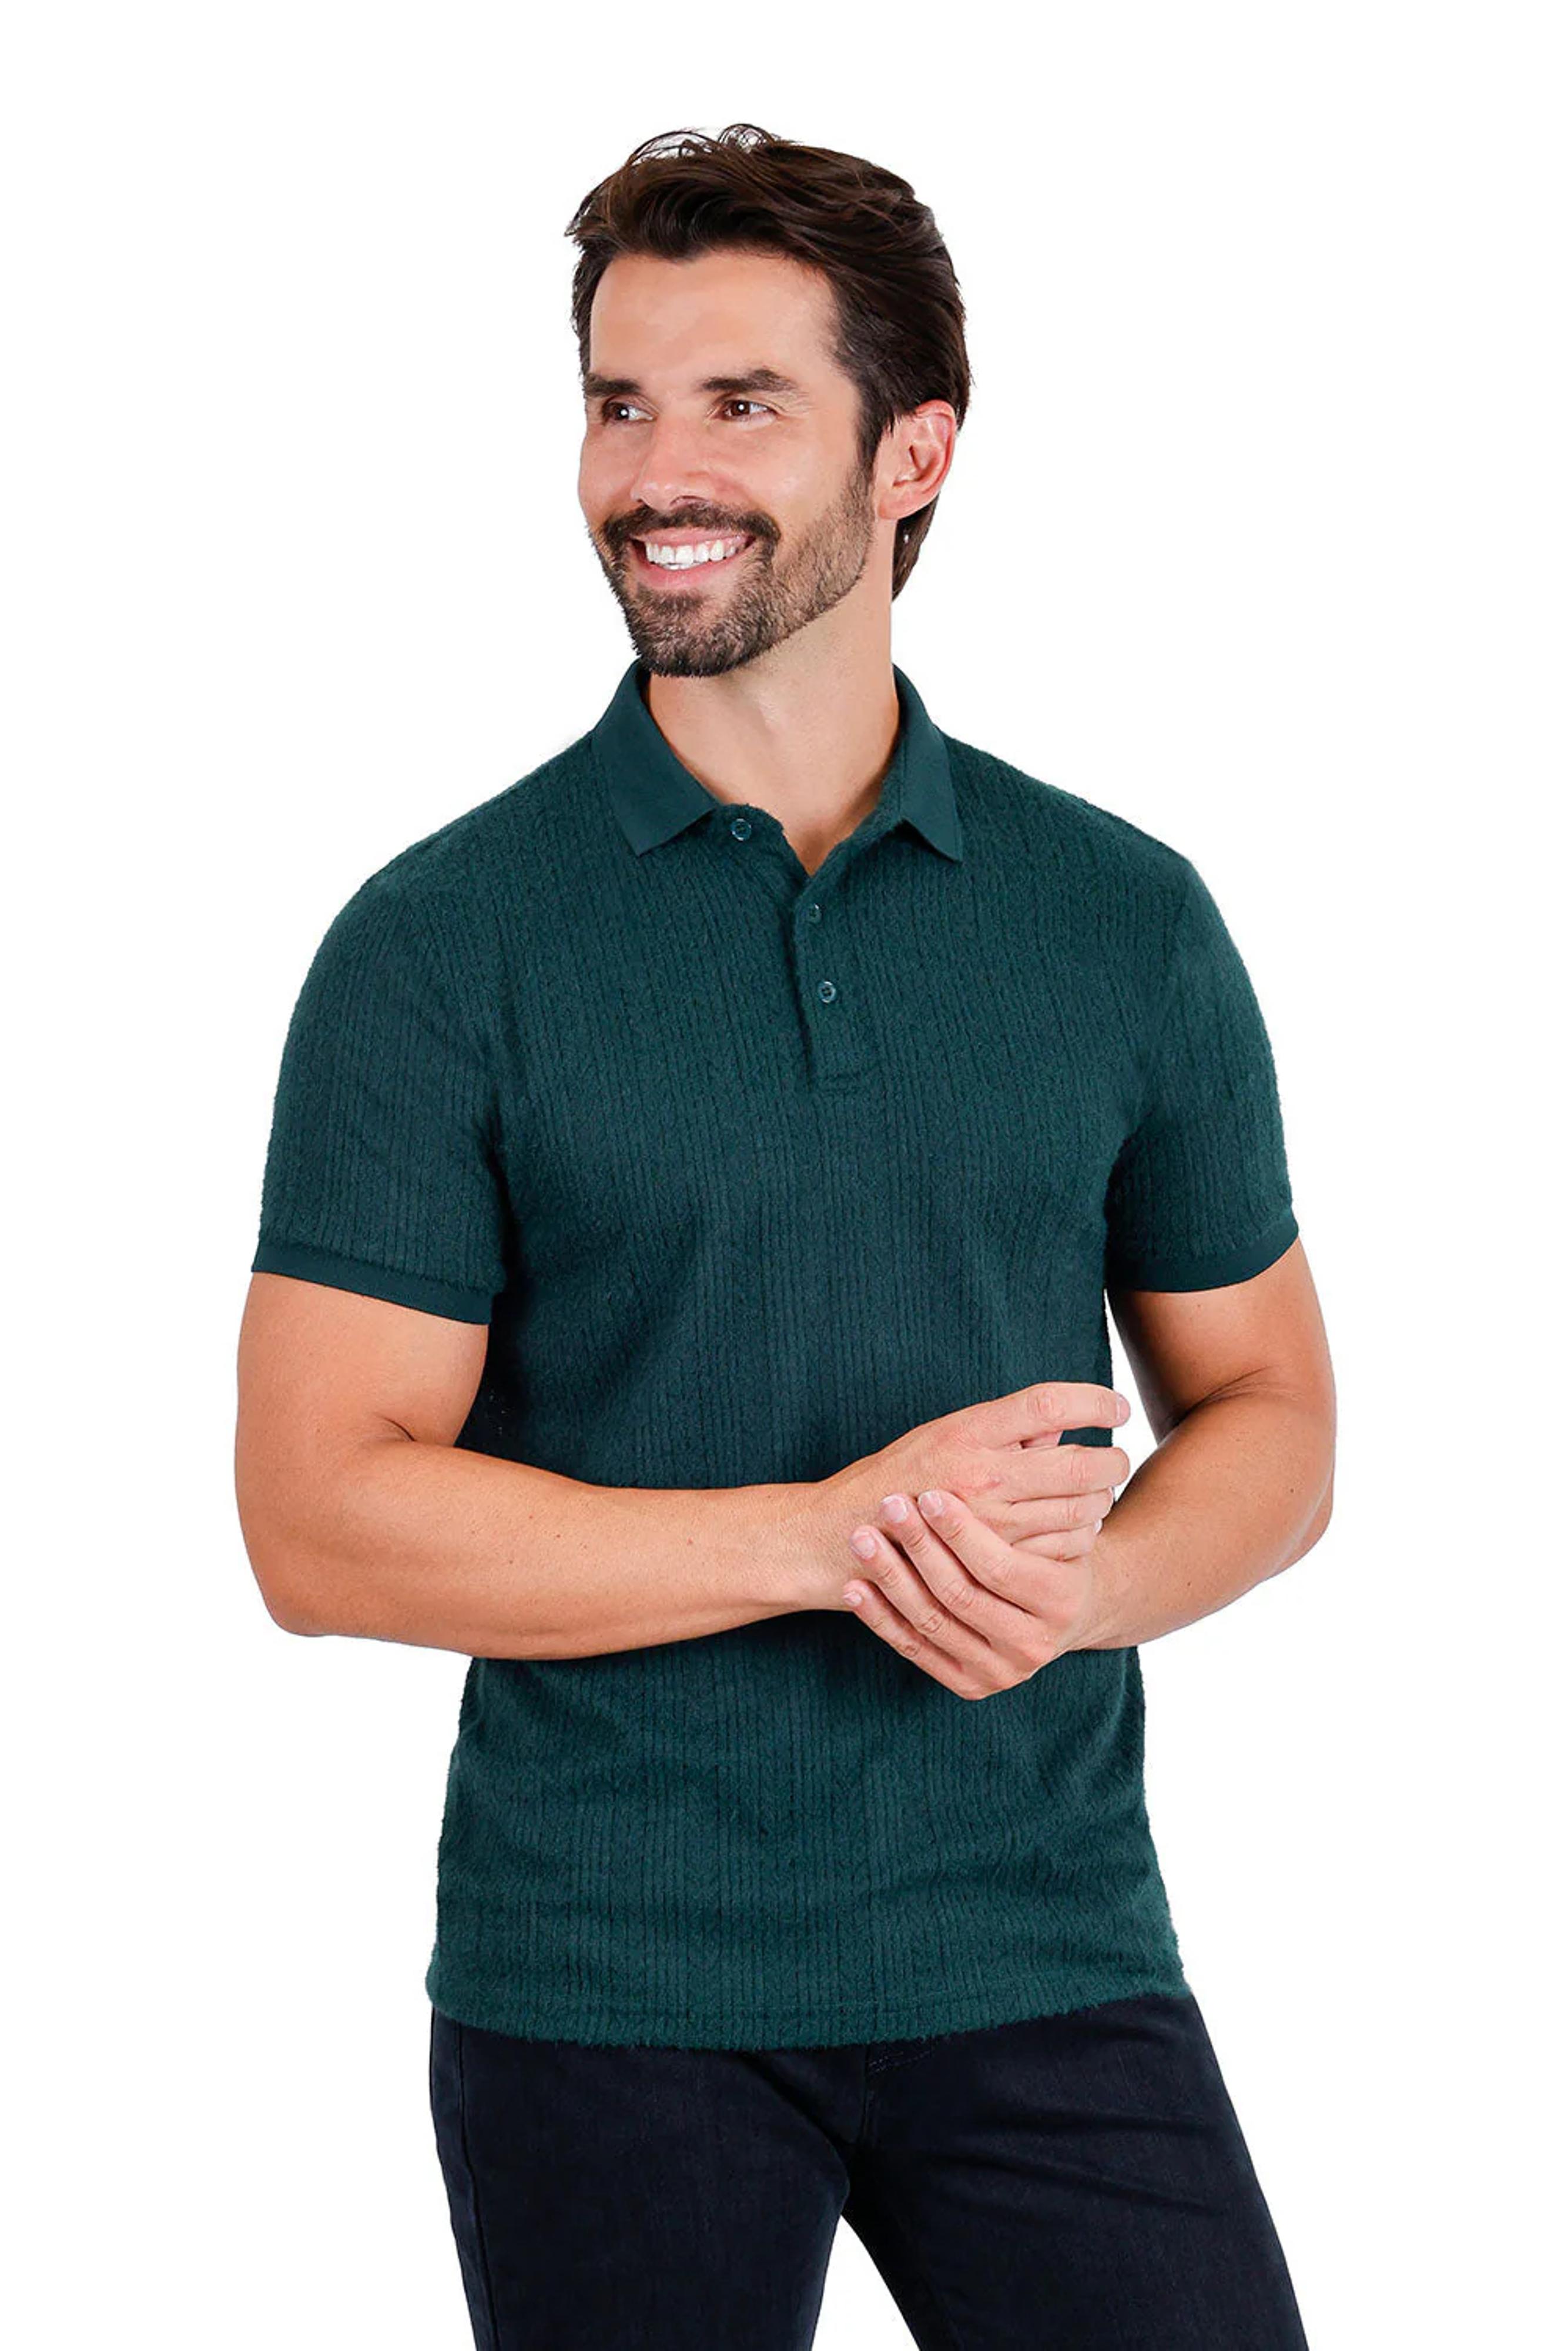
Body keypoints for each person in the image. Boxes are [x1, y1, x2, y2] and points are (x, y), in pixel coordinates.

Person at [235, 121, 1333, 2350]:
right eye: (618, 403)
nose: (657, 474)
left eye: (740, 404)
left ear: (911, 452)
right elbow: (316, 1524)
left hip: (1043, 1947)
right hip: (605, 1986)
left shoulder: (1119, 918)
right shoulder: (440, 945)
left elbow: (1273, 1412)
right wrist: (833, 1541)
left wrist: (1087, 1592)